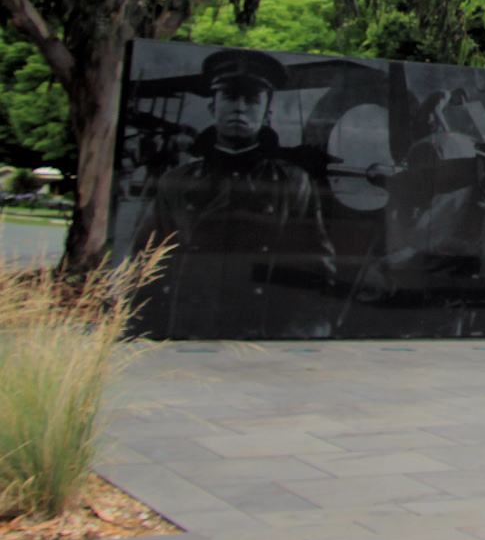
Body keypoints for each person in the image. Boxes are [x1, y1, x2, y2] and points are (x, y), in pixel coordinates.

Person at [133, 49, 337, 339]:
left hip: (262, 331)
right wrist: (144, 333)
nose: (239, 108)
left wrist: (297, 336)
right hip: (190, 332)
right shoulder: (176, 183)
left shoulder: (293, 183)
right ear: (212, 107)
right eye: (229, 96)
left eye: (251, 99)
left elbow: (314, 270)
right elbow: (147, 263)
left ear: (267, 113)